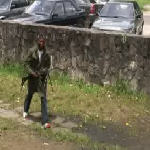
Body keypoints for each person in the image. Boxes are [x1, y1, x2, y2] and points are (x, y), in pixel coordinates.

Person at [23, 37, 51, 128]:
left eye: (43, 42)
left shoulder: (47, 54)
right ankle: (25, 110)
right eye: (40, 42)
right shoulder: (32, 51)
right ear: (37, 42)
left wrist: (43, 72)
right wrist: (32, 72)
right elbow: (26, 64)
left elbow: (47, 66)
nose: (42, 44)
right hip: (32, 78)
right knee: (30, 94)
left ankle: (45, 121)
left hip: (41, 79)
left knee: (43, 98)